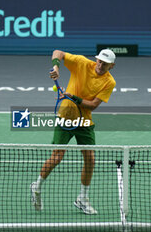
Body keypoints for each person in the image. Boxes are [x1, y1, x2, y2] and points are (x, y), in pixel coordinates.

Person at [30, 49, 116, 215]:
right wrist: (56, 67)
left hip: (84, 121)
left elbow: (93, 105)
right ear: (96, 59)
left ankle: (82, 198)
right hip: (66, 116)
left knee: (90, 159)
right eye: (99, 61)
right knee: (57, 157)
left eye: (105, 64)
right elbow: (58, 53)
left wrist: (72, 97)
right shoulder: (82, 63)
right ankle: (37, 185)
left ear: (111, 66)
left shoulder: (109, 82)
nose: (100, 65)